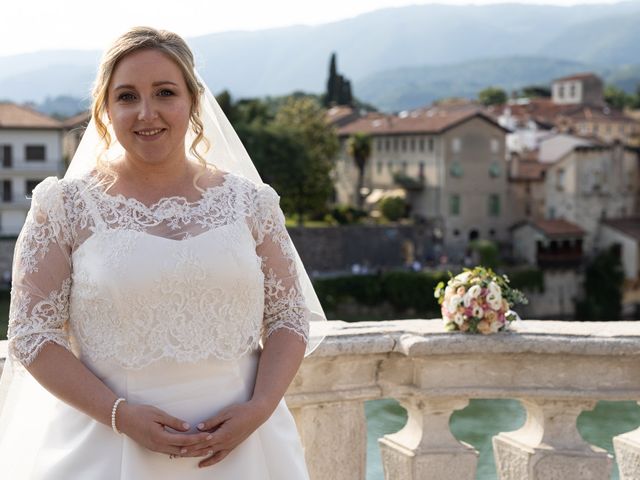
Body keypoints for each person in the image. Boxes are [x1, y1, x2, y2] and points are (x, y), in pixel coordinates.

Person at [0, 26, 326, 479]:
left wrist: (261, 406)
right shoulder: (64, 207)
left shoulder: (251, 203)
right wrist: (120, 415)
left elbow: (289, 318)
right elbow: (32, 334)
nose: (146, 112)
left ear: (193, 101)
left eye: (165, 92)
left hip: (247, 448)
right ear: (105, 110)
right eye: (127, 96)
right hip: (109, 447)